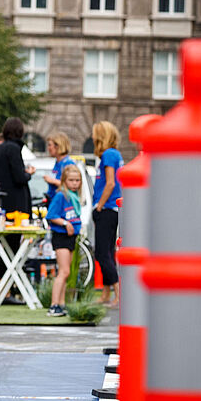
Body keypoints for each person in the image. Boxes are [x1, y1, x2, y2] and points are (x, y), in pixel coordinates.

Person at [0, 117, 35, 285]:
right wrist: (29, 173)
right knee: (12, 249)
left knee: (5, 248)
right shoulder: (14, 149)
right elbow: (19, 177)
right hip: (16, 207)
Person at [91, 120, 123, 307]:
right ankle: (105, 293)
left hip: (107, 208)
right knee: (108, 252)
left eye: (96, 134)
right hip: (111, 209)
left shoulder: (109, 155)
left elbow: (110, 183)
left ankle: (118, 294)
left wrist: (99, 206)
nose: (93, 137)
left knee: (103, 253)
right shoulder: (113, 154)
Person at [45, 165, 83, 317]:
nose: (75, 183)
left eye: (77, 180)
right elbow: (51, 215)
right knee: (64, 271)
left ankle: (61, 303)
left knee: (66, 273)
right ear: (64, 181)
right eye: (71, 180)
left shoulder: (74, 196)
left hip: (71, 236)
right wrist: (65, 223)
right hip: (61, 235)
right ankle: (54, 305)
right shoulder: (61, 195)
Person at [42, 131, 75, 203]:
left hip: (62, 203)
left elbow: (72, 185)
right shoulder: (57, 162)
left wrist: (52, 181)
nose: (48, 148)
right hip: (53, 201)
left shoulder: (68, 163)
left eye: (50, 145)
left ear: (58, 146)